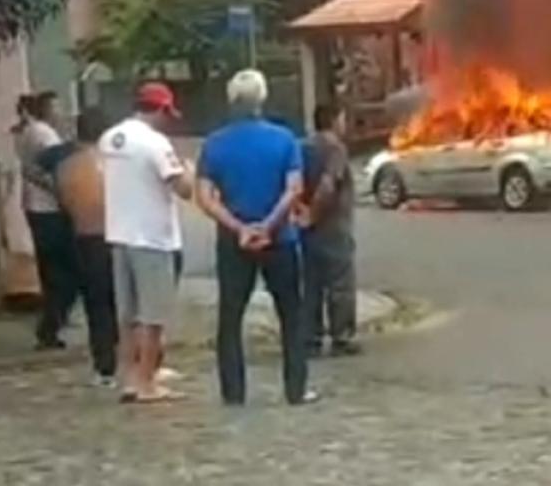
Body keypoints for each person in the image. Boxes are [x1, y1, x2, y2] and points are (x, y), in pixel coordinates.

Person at [196, 69, 316, 406]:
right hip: (281, 240)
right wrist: (268, 224)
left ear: (232, 100)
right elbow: (294, 189)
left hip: (234, 244)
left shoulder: (215, 143)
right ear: (262, 100)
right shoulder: (284, 140)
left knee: (230, 318)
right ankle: (296, 388)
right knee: (291, 314)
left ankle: (233, 392)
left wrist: (239, 227)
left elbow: (204, 197)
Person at [100, 83, 194, 403]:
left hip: (119, 233)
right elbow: (182, 187)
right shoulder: (155, 143)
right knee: (153, 316)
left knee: (127, 316)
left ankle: (127, 378)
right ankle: (146, 383)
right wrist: (191, 170)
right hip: (152, 237)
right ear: (162, 109)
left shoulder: (110, 138)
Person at [47, 108, 118, 386]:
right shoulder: (112, 164)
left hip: (83, 238)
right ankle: (137, 360)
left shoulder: (66, 167)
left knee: (96, 305)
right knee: (125, 303)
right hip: (114, 236)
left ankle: (104, 366)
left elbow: (64, 203)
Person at [300, 104, 361, 357]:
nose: (345, 124)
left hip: (308, 230)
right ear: (335, 120)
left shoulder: (303, 147)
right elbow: (328, 184)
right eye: (343, 118)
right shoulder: (335, 148)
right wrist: (314, 214)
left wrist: (302, 215)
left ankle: (311, 338)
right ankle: (341, 337)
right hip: (333, 226)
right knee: (340, 284)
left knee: (311, 284)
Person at [19, 91, 78, 350]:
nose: (61, 113)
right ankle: (51, 325)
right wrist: (62, 192)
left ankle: (52, 323)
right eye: (57, 108)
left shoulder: (30, 131)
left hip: (37, 208)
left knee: (52, 270)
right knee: (64, 271)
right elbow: (48, 169)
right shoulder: (45, 134)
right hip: (49, 210)